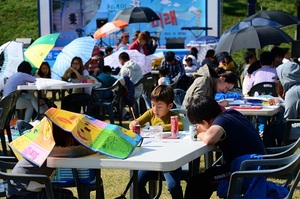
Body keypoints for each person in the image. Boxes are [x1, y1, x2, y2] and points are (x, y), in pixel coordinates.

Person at [184, 96, 266, 199]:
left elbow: (209, 139)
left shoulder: (222, 121)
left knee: (197, 183)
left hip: (246, 171)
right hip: (252, 166)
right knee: (202, 180)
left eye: (198, 125)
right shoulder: (231, 113)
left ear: (205, 122)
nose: (197, 127)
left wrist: (201, 135)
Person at [6, 122, 95, 199]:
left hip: (23, 189)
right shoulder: (48, 149)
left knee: (68, 193)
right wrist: (90, 149)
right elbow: (72, 151)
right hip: (22, 194)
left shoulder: (44, 144)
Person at [129, 85, 184, 199]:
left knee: (173, 185)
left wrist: (161, 128)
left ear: (170, 106)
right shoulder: (150, 113)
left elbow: (181, 125)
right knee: (136, 183)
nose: (155, 109)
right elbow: (134, 123)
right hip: (152, 159)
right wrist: (133, 124)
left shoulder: (173, 116)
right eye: (153, 105)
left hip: (170, 160)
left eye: (159, 106)